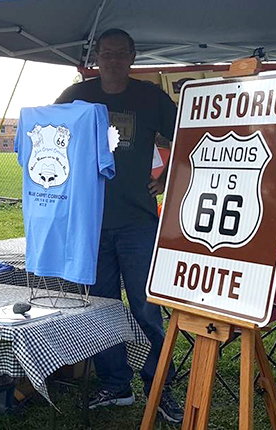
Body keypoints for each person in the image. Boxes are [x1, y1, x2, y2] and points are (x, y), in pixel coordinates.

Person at [55, 29, 183, 424]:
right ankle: (116, 383)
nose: (112, 60)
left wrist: (168, 179)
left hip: (137, 222)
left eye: (120, 53)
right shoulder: (77, 95)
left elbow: (189, 135)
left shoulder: (149, 97)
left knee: (147, 308)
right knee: (102, 307)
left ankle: (159, 385)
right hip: (89, 222)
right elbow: (46, 136)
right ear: (96, 56)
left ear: (133, 56)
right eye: (106, 53)